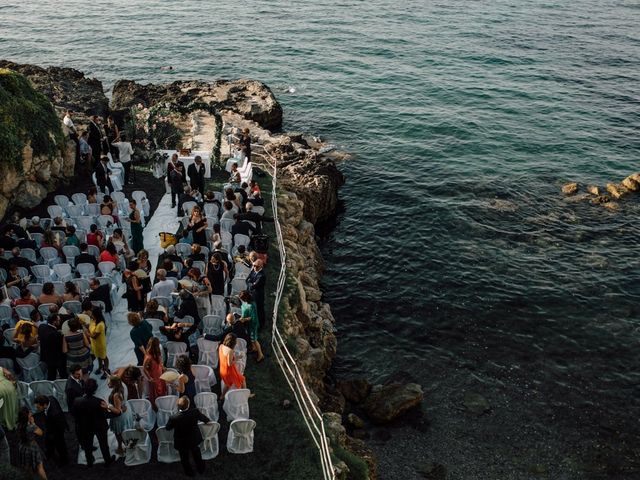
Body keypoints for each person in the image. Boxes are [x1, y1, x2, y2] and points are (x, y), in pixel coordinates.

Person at [72, 378, 115, 467]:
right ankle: (108, 460)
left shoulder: (77, 401)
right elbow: (106, 415)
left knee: (87, 445)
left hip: (85, 427)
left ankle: (89, 462)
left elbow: (75, 414)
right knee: (104, 444)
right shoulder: (99, 402)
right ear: (95, 389)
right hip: (99, 426)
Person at [165, 396, 210, 477]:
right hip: (194, 439)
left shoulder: (174, 417)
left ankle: (189, 472)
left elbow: (167, 428)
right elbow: (206, 419)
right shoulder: (195, 412)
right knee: (197, 454)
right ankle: (201, 469)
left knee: (184, 458)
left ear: (178, 406)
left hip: (181, 442)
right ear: (188, 405)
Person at [34, 394, 69, 466]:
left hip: (58, 429)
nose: (37, 409)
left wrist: (52, 434)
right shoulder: (50, 398)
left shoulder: (54, 414)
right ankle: (49, 452)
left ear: (45, 405)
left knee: (60, 444)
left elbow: (58, 427)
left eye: (38, 407)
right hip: (51, 425)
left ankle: (64, 460)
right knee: (48, 441)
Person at [16, 407, 47, 479]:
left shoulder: (18, 425)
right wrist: (33, 423)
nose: (31, 414)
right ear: (26, 416)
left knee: (27, 467)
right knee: (39, 467)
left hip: (23, 447)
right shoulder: (30, 427)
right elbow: (40, 433)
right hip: (32, 447)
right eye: (29, 413)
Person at [107, 375, 132, 456]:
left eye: (109, 382)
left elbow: (117, 411)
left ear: (114, 384)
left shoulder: (116, 395)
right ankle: (129, 446)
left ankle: (120, 448)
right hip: (127, 411)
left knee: (119, 433)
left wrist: (108, 406)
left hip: (120, 417)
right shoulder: (123, 385)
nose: (108, 384)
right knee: (125, 431)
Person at [38, 314, 66, 380]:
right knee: (63, 374)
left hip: (45, 356)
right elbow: (61, 347)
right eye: (58, 320)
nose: (60, 321)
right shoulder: (56, 335)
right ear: (54, 322)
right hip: (57, 358)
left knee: (51, 374)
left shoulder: (41, 327)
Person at [238, 290, 264, 362]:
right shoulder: (245, 302)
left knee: (254, 339)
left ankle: (260, 354)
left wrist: (244, 319)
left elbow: (252, 317)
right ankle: (254, 348)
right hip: (248, 323)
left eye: (242, 299)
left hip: (253, 324)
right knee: (251, 337)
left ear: (246, 298)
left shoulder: (252, 305)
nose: (241, 300)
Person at [218, 333, 246, 399]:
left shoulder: (221, 346)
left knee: (227, 384)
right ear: (232, 342)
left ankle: (222, 396)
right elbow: (230, 363)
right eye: (235, 341)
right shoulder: (230, 351)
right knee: (242, 379)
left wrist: (235, 357)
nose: (236, 342)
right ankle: (245, 395)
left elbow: (223, 357)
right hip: (229, 371)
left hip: (222, 369)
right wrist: (239, 357)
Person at [143, 337, 166, 408]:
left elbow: (160, 363)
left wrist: (163, 367)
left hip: (160, 376)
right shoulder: (148, 357)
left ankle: (162, 405)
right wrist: (149, 378)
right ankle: (156, 407)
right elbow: (144, 368)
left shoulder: (157, 353)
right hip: (154, 378)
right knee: (155, 394)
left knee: (162, 391)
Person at [89, 307, 109, 378]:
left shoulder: (100, 324)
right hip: (94, 343)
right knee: (98, 356)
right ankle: (100, 367)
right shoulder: (93, 321)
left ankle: (106, 371)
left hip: (100, 343)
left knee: (104, 357)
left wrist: (86, 333)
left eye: (92, 314)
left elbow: (94, 336)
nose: (91, 315)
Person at [247, 258, 267, 329]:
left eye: (257, 266)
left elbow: (253, 285)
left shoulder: (262, 276)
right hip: (252, 293)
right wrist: (251, 283)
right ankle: (253, 322)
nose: (255, 267)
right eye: (254, 265)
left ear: (261, 266)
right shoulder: (253, 270)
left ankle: (261, 325)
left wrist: (251, 283)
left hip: (258, 296)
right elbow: (247, 279)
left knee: (259, 310)